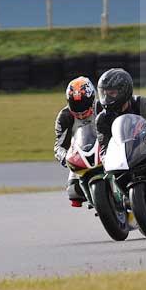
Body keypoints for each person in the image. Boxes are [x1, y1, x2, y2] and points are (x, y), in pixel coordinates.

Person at [53, 76, 99, 207]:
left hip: (105, 149)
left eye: (83, 104)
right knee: (73, 191)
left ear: (92, 99)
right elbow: (59, 146)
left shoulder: (102, 107)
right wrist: (66, 158)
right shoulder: (64, 117)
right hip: (81, 155)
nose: (80, 109)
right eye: (75, 104)